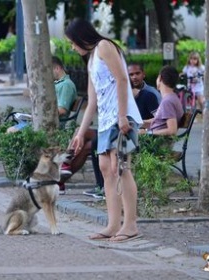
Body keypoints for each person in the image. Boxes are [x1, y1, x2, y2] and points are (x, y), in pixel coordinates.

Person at [65, 18, 143, 242]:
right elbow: (92, 101)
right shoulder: (91, 60)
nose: (72, 47)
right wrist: (80, 133)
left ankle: (130, 225)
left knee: (121, 167)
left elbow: (121, 79)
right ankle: (112, 225)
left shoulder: (104, 47)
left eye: (72, 42)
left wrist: (121, 116)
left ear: (81, 36)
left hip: (121, 117)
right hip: (106, 120)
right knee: (105, 167)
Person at [68, 62, 160, 199]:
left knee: (93, 144)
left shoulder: (149, 94)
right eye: (131, 75)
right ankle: (68, 169)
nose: (134, 77)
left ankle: (101, 186)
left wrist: (139, 125)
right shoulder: (123, 92)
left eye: (137, 74)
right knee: (87, 136)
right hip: (116, 129)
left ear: (143, 74)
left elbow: (159, 120)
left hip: (138, 134)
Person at [6, 56, 77, 133]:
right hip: (43, 121)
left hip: (49, 124)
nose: (47, 75)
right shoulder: (58, 84)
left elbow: (62, 110)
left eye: (49, 71)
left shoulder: (66, 85)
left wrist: (41, 114)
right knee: (11, 128)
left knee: (11, 131)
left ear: (57, 68)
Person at [139, 65, 184, 136]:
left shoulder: (167, 102)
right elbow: (160, 121)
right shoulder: (171, 98)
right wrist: (140, 123)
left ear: (160, 78)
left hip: (156, 143)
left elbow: (172, 130)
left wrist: (148, 133)